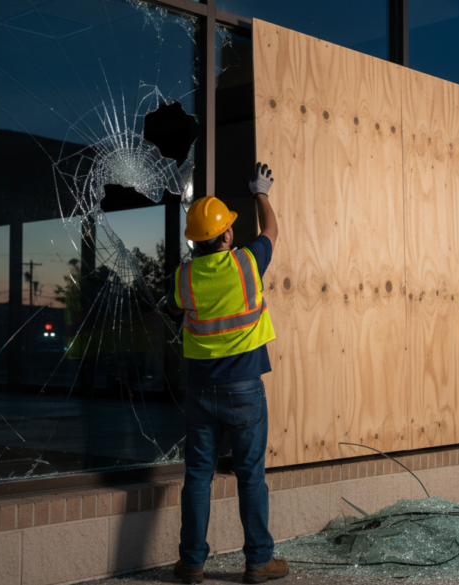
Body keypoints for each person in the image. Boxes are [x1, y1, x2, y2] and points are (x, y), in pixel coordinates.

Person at [167, 163, 289, 584]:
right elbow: (272, 230)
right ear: (227, 235)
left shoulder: (184, 277)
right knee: (250, 474)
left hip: (201, 391)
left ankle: (191, 563)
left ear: (193, 241)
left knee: (197, 475)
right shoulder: (247, 264)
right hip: (244, 391)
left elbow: (173, 309)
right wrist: (260, 192)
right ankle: (258, 562)